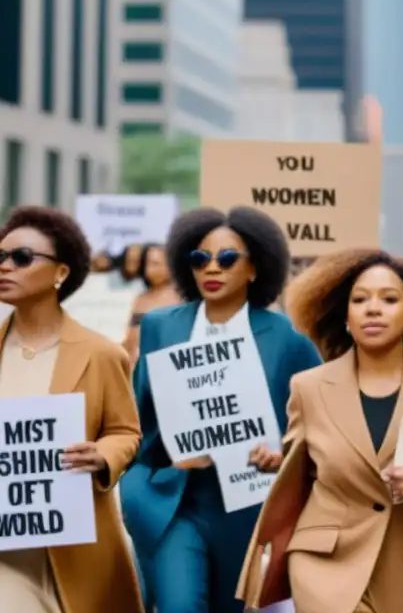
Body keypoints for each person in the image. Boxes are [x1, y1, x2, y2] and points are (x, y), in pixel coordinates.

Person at [237, 249, 403, 612]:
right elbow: (304, 466)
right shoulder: (308, 388)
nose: (373, 308)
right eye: (360, 300)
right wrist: (276, 461)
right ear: (346, 317)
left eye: (389, 299)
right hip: (327, 565)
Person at [120, 207, 321, 613]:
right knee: (179, 605)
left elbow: (318, 425)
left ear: (254, 269)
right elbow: (138, 420)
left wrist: (281, 456)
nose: (212, 267)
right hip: (174, 499)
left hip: (246, 506)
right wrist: (148, 473)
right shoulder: (160, 326)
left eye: (227, 258)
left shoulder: (285, 337)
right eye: (199, 258)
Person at [0, 206, 143, 613]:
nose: (5, 266)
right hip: (6, 556)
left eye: (21, 258)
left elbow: (126, 432)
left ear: (61, 273)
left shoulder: (101, 354)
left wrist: (102, 455)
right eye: (0, 257)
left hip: (75, 548)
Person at [122, 245, 180, 364]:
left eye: (156, 264)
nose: (150, 269)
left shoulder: (179, 299)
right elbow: (130, 337)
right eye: (147, 263)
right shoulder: (141, 299)